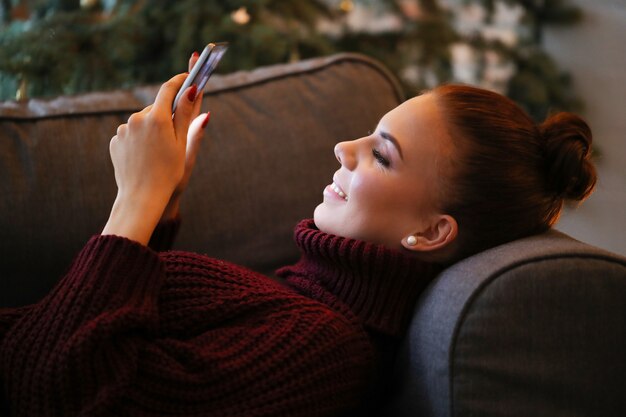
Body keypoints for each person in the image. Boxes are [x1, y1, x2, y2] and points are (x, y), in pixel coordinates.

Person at [0, 51, 596, 417]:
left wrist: (136, 200)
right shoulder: (309, 304)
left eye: (382, 155)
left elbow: (53, 393)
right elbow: (135, 357)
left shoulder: (324, 351)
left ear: (431, 231)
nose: (343, 147)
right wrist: (161, 210)